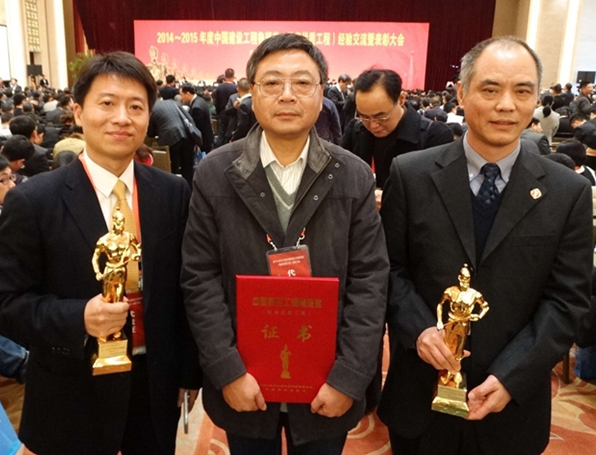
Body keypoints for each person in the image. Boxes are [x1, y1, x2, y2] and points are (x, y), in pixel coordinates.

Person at [378, 37, 592, 455]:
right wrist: (418, 329)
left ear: (537, 98)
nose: (506, 105)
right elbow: (389, 270)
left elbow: (567, 300)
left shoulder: (568, 191)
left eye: (522, 91)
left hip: (511, 402)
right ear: (461, 93)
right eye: (490, 89)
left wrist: (513, 375)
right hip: (421, 390)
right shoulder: (411, 174)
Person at [0, 51, 201, 455]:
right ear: (79, 112)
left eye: (136, 107)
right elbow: (1, 303)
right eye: (107, 103)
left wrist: (188, 373)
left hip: (154, 382)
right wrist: (78, 317)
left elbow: (186, 289)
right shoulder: (34, 200)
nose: (122, 118)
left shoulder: (172, 192)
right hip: (72, 386)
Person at [182, 33, 389, 454]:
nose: (287, 95)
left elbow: (370, 280)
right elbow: (199, 277)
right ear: (252, 93)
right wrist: (227, 370)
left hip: (326, 378)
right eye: (273, 82)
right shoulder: (215, 173)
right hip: (245, 377)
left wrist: (348, 376)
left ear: (322, 92)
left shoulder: (352, 175)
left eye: (302, 83)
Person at [341, 69, 453, 189]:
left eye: (381, 117)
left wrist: (390, 197)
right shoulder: (356, 130)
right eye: (364, 117)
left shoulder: (435, 135)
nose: (373, 125)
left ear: (400, 99)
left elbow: (440, 191)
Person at [181, 84, 214, 154]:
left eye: (182, 95)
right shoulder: (200, 100)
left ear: (187, 93)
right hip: (207, 137)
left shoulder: (196, 107)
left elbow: (197, 128)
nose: (181, 98)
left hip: (203, 141)